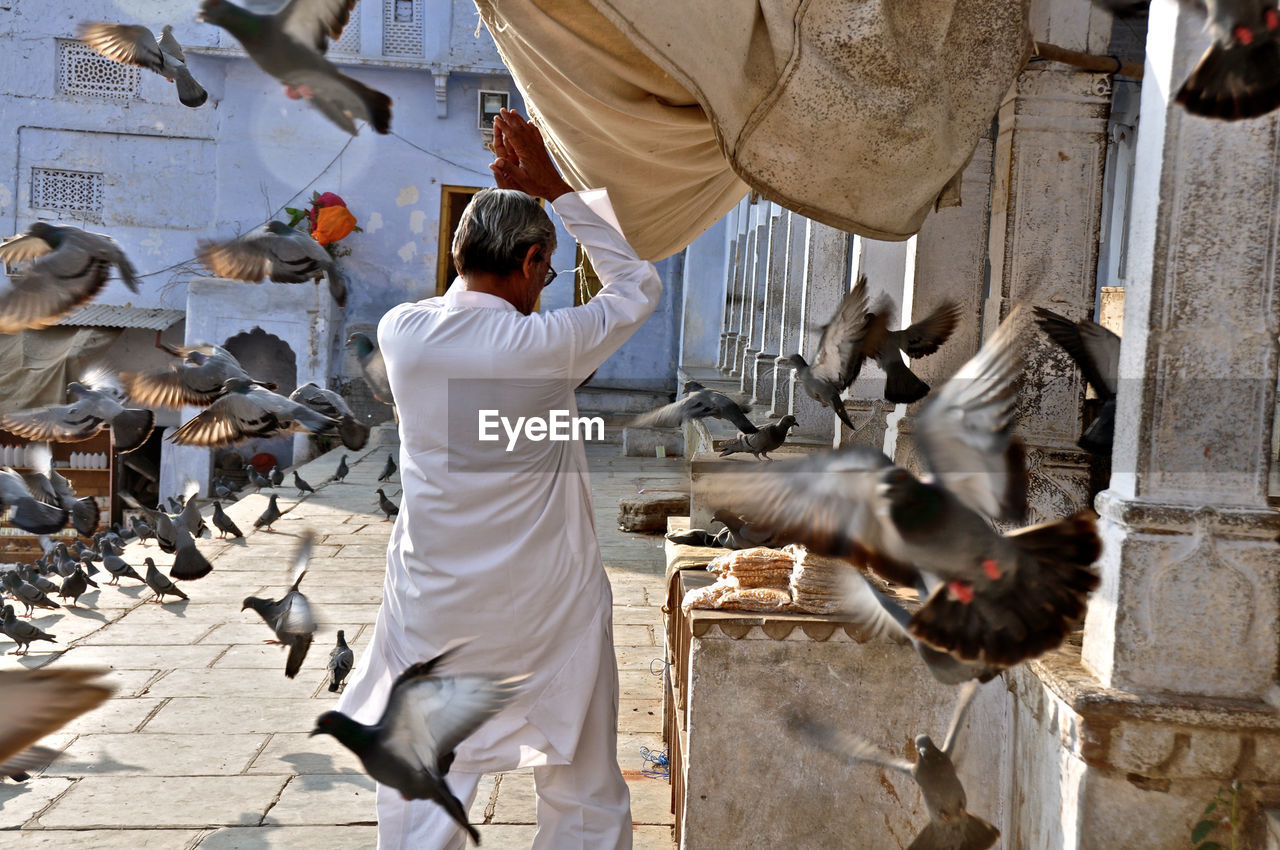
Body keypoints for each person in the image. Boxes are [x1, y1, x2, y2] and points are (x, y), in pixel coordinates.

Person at [337, 109, 662, 850]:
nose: (546, 285)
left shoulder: (403, 333)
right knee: (581, 788)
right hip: (548, 613)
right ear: (530, 261)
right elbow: (636, 284)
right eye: (545, 270)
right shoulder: (544, 346)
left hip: (434, 606)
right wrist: (560, 189)